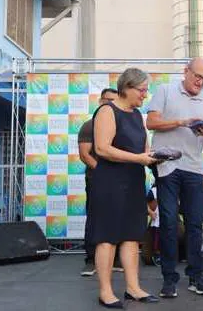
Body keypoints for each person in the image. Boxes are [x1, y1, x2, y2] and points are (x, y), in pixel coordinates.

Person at [146, 57, 203, 298]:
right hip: (167, 165)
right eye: (197, 76)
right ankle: (169, 279)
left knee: (195, 224)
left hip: (193, 166)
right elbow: (151, 122)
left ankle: (196, 276)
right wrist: (182, 122)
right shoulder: (165, 90)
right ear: (185, 71)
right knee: (167, 222)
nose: (200, 81)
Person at [91, 68, 159, 308]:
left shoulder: (137, 114)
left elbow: (144, 149)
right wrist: (138, 158)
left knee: (132, 235)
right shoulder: (107, 111)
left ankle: (133, 287)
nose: (144, 95)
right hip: (109, 181)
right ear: (127, 87)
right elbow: (102, 148)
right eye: (142, 90)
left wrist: (155, 157)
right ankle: (106, 291)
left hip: (133, 181)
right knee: (107, 237)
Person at [77, 88, 119, 276]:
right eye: (107, 100)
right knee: (95, 219)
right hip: (97, 180)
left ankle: (115, 260)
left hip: (119, 182)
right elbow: (85, 155)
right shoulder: (89, 125)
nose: (110, 104)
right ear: (100, 102)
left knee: (118, 219)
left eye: (114, 101)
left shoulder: (121, 125)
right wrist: (104, 172)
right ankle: (91, 260)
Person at [146, 183, 161, 266]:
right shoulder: (153, 191)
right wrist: (151, 212)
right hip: (156, 222)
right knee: (156, 239)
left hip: (167, 221)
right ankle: (156, 255)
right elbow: (144, 203)